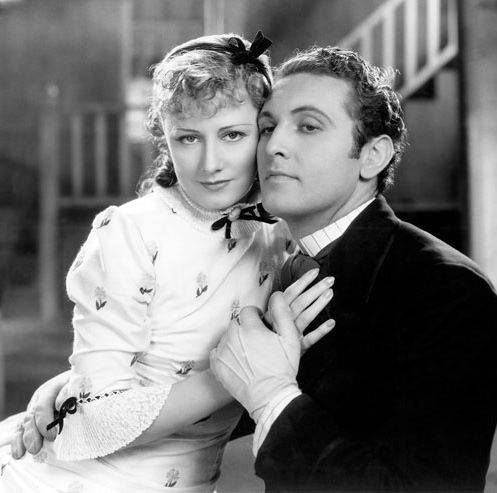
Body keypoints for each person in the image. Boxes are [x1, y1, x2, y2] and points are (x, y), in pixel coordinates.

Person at [0, 34, 335, 492]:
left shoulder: (275, 230)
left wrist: (66, 384)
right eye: (188, 138)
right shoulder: (130, 232)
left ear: (264, 132)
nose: (211, 163)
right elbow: (98, 420)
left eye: (233, 135)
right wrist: (244, 371)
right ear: (165, 135)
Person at [210, 46, 497, 492]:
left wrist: (272, 396)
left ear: (372, 155)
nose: (273, 146)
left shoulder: (447, 289)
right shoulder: (267, 265)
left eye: (308, 126)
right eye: (267, 128)